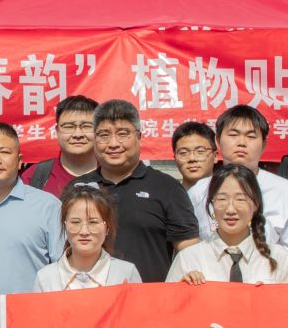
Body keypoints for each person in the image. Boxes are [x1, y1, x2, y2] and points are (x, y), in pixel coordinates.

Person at [72, 100, 198, 285]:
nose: (113, 143)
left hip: (149, 298)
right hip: (90, 297)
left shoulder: (167, 188)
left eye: (123, 134)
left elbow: (189, 252)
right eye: (104, 135)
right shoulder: (77, 188)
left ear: (139, 136)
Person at [0, 123, 66, 328]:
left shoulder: (48, 207)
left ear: (19, 161)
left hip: (30, 321)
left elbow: (62, 268)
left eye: (5, 152)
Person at [189, 106, 288, 269]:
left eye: (251, 136)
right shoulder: (198, 192)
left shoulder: (285, 192)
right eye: (233, 135)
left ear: (264, 144)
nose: (241, 143)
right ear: (217, 141)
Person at [170, 164, 288, 284]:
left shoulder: (279, 258)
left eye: (240, 199)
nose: (230, 210)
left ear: (255, 204)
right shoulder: (188, 259)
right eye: (222, 199)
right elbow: (169, 300)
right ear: (212, 204)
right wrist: (183, 288)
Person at [34, 184, 142, 290]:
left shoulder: (126, 273)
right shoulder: (45, 278)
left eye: (93, 222)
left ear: (107, 227)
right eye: (75, 222)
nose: (84, 232)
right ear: (65, 225)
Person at [26, 94, 99, 195]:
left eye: (86, 126)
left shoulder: (115, 175)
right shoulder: (33, 176)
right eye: (69, 127)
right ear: (57, 131)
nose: (78, 134)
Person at [170, 121, 219, 196]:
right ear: (175, 158)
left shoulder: (227, 193)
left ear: (215, 156)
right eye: (183, 153)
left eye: (200, 151)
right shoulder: (169, 196)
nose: (192, 158)